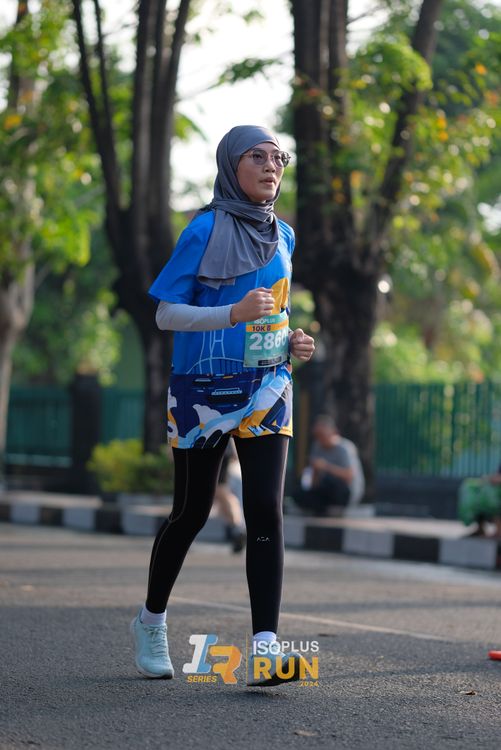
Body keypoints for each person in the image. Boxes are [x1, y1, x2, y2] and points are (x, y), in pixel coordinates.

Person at [130, 125, 315, 686]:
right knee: (191, 513)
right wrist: (230, 314)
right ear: (231, 164)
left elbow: (274, 309)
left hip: (268, 388)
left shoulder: (283, 235)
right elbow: (166, 313)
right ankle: (151, 620)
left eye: (279, 158)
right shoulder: (203, 229)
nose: (271, 166)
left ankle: (265, 647)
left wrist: (294, 341)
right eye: (257, 157)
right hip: (201, 391)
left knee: (265, 508)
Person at [294, 414, 365, 516]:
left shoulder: (344, 448)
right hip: (325, 489)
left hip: (346, 491)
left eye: (322, 435)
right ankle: (322, 508)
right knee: (299, 493)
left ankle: (334, 508)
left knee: (330, 481)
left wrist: (326, 467)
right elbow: (314, 482)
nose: (320, 439)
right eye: (317, 436)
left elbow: (349, 476)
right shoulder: (317, 446)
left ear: (333, 432)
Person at [212, 439, 246, 553]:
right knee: (219, 492)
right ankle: (237, 528)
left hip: (220, 446)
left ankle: (239, 529)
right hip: (216, 444)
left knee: (220, 490)